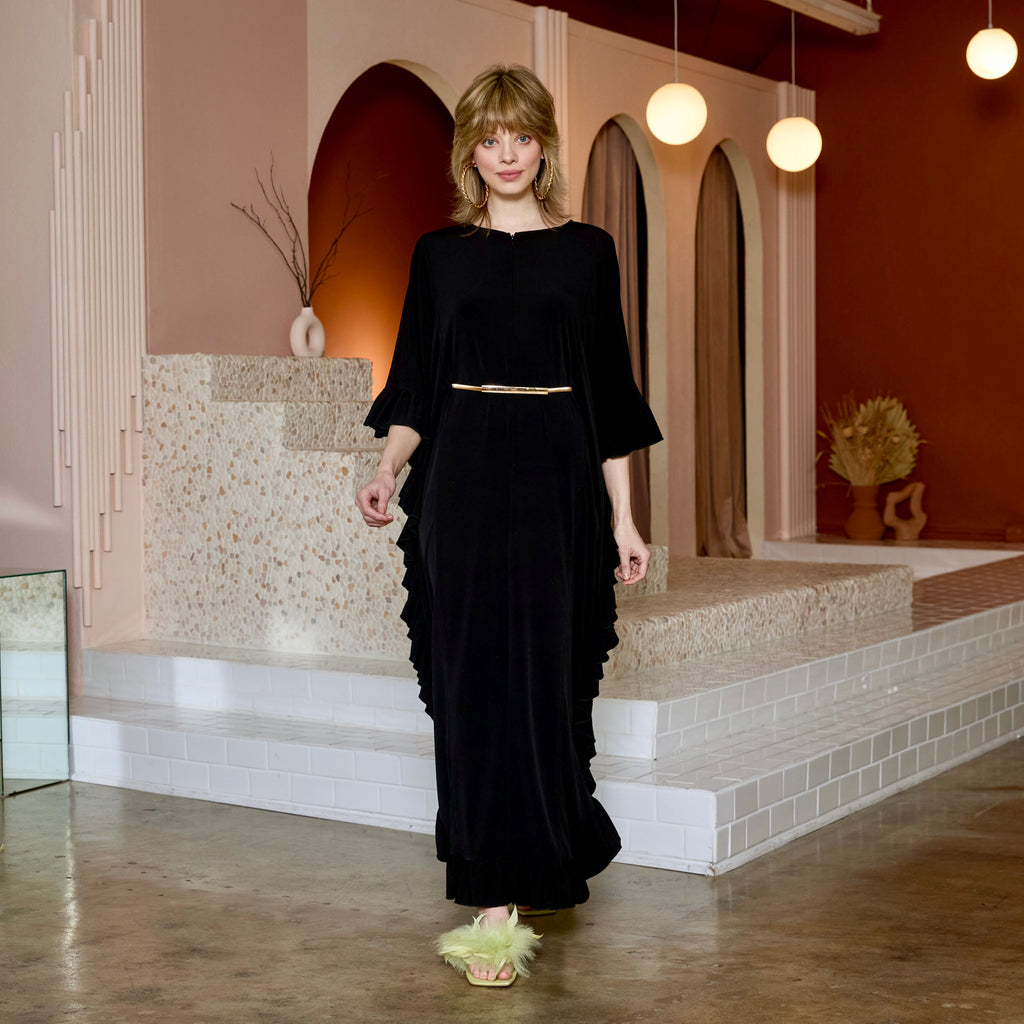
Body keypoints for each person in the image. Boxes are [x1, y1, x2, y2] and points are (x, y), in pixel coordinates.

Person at [355, 64, 662, 987]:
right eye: (490, 139)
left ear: (543, 145)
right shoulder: (438, 256)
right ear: (469, 154)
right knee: (475, 688)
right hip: (462, 487)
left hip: (559, 484)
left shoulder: (589, 252)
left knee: (547, 683)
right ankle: (492, 907)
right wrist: (385, 468)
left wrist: (626, 518)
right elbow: (416, 386)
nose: (508, 154)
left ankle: (545, 859)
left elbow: (608, 397)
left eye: (522, 136)